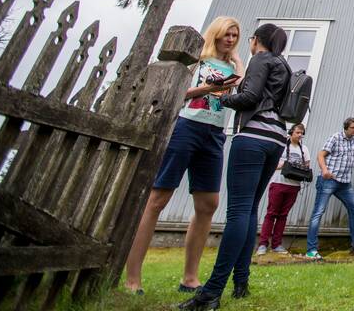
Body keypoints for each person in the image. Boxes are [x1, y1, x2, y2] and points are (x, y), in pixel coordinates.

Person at [124, 16, 243, 295]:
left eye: (235, 36)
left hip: (214, 133)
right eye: (227, 34)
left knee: (208, 204)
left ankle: (189, 277)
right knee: (158, 198)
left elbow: (239, 83)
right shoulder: (198, 62)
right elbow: (176, 91)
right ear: (216, 34)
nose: (231, 39)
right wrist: (207, 88)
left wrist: (237, 60)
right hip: (187, 126)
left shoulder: (230, 67)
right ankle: (132, 277)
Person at [181, 23, 291, 310]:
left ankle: (212, 291)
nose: (249, 43)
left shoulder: (260, 59)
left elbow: (250, 97)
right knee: (251, 208)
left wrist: (222, 97)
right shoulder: (284, 65)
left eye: (251, 39)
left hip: (253, 137)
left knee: (238, 211)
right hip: (277, 138)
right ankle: (241, 282)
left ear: (258, 41)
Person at [305, 117, 354, 259]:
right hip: (328, 180)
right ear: (346, 128)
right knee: (319, 212)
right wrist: (324, 170)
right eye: (352, 128)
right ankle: (311, 250)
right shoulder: (335, 138)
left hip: (344, 182)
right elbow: (320, 154)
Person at [256, 122, 310, 255]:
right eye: (297, 132)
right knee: (271, 213)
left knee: (283, 215)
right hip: (279, 182)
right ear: (291, 132)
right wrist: (284, 165)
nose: (300, 135)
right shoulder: (281, 147)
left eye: (302, 133)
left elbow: (307, 166)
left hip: (294, 185)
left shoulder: (304, 149)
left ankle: (277, 244)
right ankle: (263, 244)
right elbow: (270, 164)